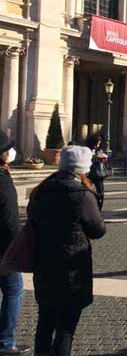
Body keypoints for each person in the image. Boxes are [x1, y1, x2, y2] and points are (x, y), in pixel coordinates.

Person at [30, 145, 106, 356]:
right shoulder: (81, 194)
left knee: (44, 324)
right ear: (81, 168)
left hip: (44, 265)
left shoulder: (41, 189)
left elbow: (32, 219)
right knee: (65, 329)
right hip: (71, 269)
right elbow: (98, 230)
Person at [0, 130, 30, 355]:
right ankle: (5, 342)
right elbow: (11, 220)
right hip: (3, 248)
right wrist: (16, 251)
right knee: (14, 290)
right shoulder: (2, 179)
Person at [87, 135, 109, 211]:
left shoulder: (99, 150)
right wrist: (96, 158)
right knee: (88, 190)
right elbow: (87, 160)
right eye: (97, 143)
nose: (98, 145)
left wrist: (104, 159)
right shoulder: (87, 150)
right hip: (90, 173)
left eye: (99, 144)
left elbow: (104, 161)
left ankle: (99, 208)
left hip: (99, 173)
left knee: (101, 192)